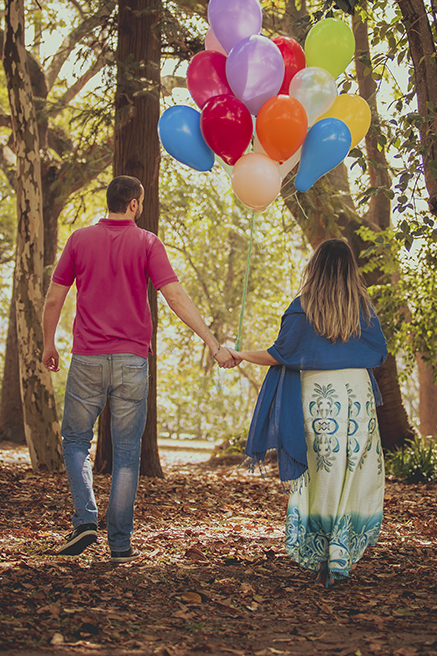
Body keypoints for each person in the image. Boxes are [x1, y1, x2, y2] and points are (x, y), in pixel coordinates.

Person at [42, 175, 236, 562]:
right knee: (128, 453)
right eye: (141, 203)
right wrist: (212, 344)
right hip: (132, 360)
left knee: (77, 441)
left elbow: (54, 296)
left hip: (87, 359)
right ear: (133, 204)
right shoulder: (147, 242)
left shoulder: (79, 239)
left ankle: (85, 520)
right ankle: (119, 544)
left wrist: (49, 341)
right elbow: (176, 296)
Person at [234, 238, 387, 587]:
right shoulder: (362, 310)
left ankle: (323, 555)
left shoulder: (303, 307)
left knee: (323, 471)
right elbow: (379, 352)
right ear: (350, 269)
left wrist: (240, 354)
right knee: (354, 468)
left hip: (319, 396)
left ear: (315, 268)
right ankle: (341, 553)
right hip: (357, 394)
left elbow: (280, 353)